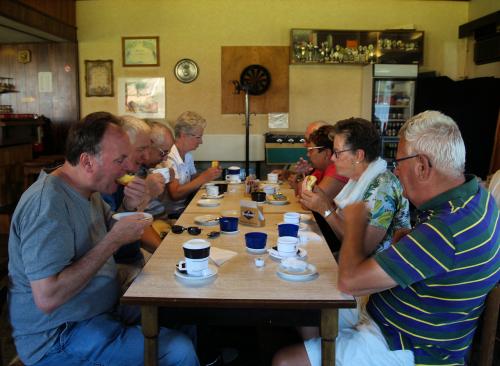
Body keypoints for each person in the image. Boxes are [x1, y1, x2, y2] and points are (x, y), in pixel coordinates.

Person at [273, 111, 499, 366]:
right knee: (307, 305)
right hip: (399, 313)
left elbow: (349, 282)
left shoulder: (444, 229)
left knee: (285, 361)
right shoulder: (478, 199)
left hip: (407, 343)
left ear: (422, 166)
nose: (396, 169)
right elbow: (448, 257)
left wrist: (355, 221)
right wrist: (411, 238)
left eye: (400, 161)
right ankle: (323, 349)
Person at [8, 111, 199, 366]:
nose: (131, 167)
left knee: (181, 308)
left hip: (98, 309)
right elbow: (48, 297)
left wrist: (132, 205)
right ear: (87, 162)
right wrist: (113, 241)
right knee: (179, 351)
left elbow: (118, 225)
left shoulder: (89, 190)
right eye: (121, 159)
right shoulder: (47, 205)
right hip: (59, 336)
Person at [301, 117, 410, 255]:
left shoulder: (384, 187)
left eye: (337, 153)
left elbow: (361, 249)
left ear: (358, 155)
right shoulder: (357, 179)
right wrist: (324, 200)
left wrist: (326, 209)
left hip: (380, 270)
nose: (332, 158)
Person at [163, 111, 222, 219]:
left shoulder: (187, 155)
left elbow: (191, 179)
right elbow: (175, 194)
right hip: (172, 213)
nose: (201, 142)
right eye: (198, 137)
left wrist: (209, 174)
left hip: (186, 205)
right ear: (183, 135)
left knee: (219, 211)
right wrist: (204, 177)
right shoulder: (169, 157)